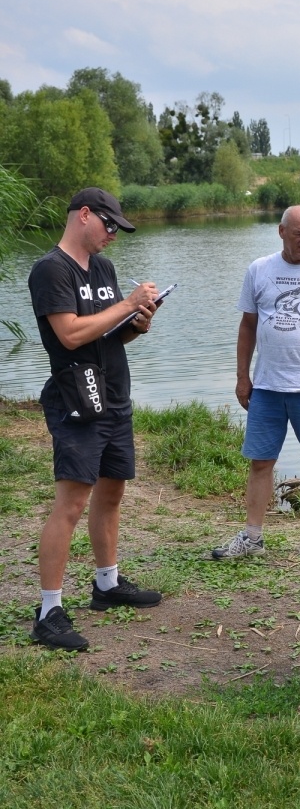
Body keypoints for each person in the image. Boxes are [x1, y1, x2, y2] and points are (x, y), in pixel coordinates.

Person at [28, 187, 164, 651]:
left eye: (118, 230)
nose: (113, 236)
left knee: (112, 492)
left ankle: (106, 585)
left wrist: (135, 324)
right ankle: (48, 611)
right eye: (109, 226)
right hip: (76, 397)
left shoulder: (103, 268)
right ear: (84, 215)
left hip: (115, 394)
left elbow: (104, 333)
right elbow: (68, 335)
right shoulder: (50, 269)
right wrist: (126, 304)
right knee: (71, 502)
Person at [211, 205, 300, 561]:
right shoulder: (259, 269)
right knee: (260, 461)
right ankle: (252, 536)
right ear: (281, 231)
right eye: (299, 233)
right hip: (267, 386)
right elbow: (248, 326)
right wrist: (242, 376)